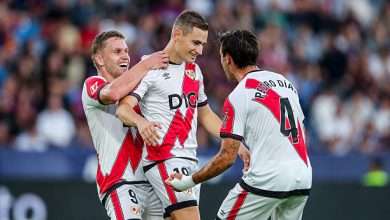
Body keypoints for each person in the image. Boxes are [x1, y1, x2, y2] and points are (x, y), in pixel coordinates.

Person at [116, 11, 250, 220]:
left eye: (203, 44)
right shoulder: (151, 66)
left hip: (190, 162)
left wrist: (235, 143)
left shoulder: (194, 71)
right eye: (196, 42)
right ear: (177, 34)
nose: (200, 50)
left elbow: (206, 116)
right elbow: (123, 109)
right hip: (164, 159)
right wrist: (141, 123)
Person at [167, 30, 312, 220]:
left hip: (268, 179)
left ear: (228, 59)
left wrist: (188, 182)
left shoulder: (239, 95)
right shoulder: (285, 83)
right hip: (302, 176)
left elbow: (227, 157)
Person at [81, 30, 169, 220]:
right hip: (120, 181)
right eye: (117, 51)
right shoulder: (93, 84)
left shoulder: (140, 89)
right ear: (100, 59)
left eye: (127, 51)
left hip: (152, 182)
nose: (125, 56)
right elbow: (112, 94)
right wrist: (146, 65)